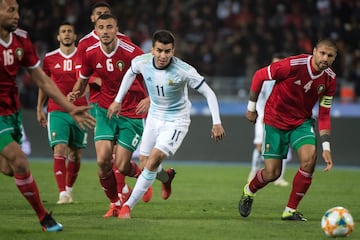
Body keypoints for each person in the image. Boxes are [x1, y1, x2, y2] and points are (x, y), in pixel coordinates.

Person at [107, 29, 226, 219]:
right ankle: (166, 177)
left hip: (176, 121)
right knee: (146, 163)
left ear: (173, 51)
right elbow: (130, 74)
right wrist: (118, 100)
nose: (163, 56)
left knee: (153, 160)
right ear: (152, 50)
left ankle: (127, 207)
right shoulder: (142, 62)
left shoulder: (183, 70)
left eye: (167, 51)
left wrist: (216, 122)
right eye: (160, 50)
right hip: (154, 117)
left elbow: (209, 92)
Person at [0, 0, 95, 232]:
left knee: (9, 168)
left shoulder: (21, 39)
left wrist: (72, 107)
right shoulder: (51, 56)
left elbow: (42, 80)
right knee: (22, 162)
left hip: (12, 111)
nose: (17, 16)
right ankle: (44, 217)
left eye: (18, 10)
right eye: (11, 10)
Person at [238, 38, 337, 221]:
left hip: (301, 122)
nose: (325, 58)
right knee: (272, 173)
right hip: (275, 120)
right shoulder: (293, 64)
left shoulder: (330, 79)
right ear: (314, 51)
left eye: (330, 56)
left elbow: (324, 115)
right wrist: (251, 108)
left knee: (309, 160)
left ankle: (290, 210)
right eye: (322, 53)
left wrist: (327, 148)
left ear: (334, 58)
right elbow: (259, 75)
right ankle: (249, 191)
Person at [71, 13, 150, 218]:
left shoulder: (131, 51)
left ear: (117, 30)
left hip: (131, 111)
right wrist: (76, 93)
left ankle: (144, 175)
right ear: (95, 31)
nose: (105, 31)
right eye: (101, 27)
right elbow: (83, 79)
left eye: (109, 27)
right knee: (103, 161)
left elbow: (153, 73)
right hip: (105, 110)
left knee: (122, 166)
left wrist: (149, 99)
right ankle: (115, 203)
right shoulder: (90, 53)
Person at [37, 22, 87, 204]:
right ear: (58, 37)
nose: (66, 34)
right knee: (60, 149)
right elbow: (44, 84)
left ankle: (69, 189)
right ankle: (62, 193)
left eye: (70, 32)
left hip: (80, 111)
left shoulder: (83, 57)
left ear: (75, 36)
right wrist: (39, 108)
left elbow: (87, 82)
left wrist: (81, 93)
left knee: (75, 154)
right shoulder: (49, 59)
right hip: (56, 110)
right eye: (63, 31)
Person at [247, 53, 291, 187]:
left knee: (283, 148)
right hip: (264, 116)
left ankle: (279, 177)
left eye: (279, 64)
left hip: (282, 119)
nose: (276, 67)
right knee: (260, 146)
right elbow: (259, 99)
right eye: (274, 64)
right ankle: (254, 172)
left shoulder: (288, 80)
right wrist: (261, 114)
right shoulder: (266, 80)